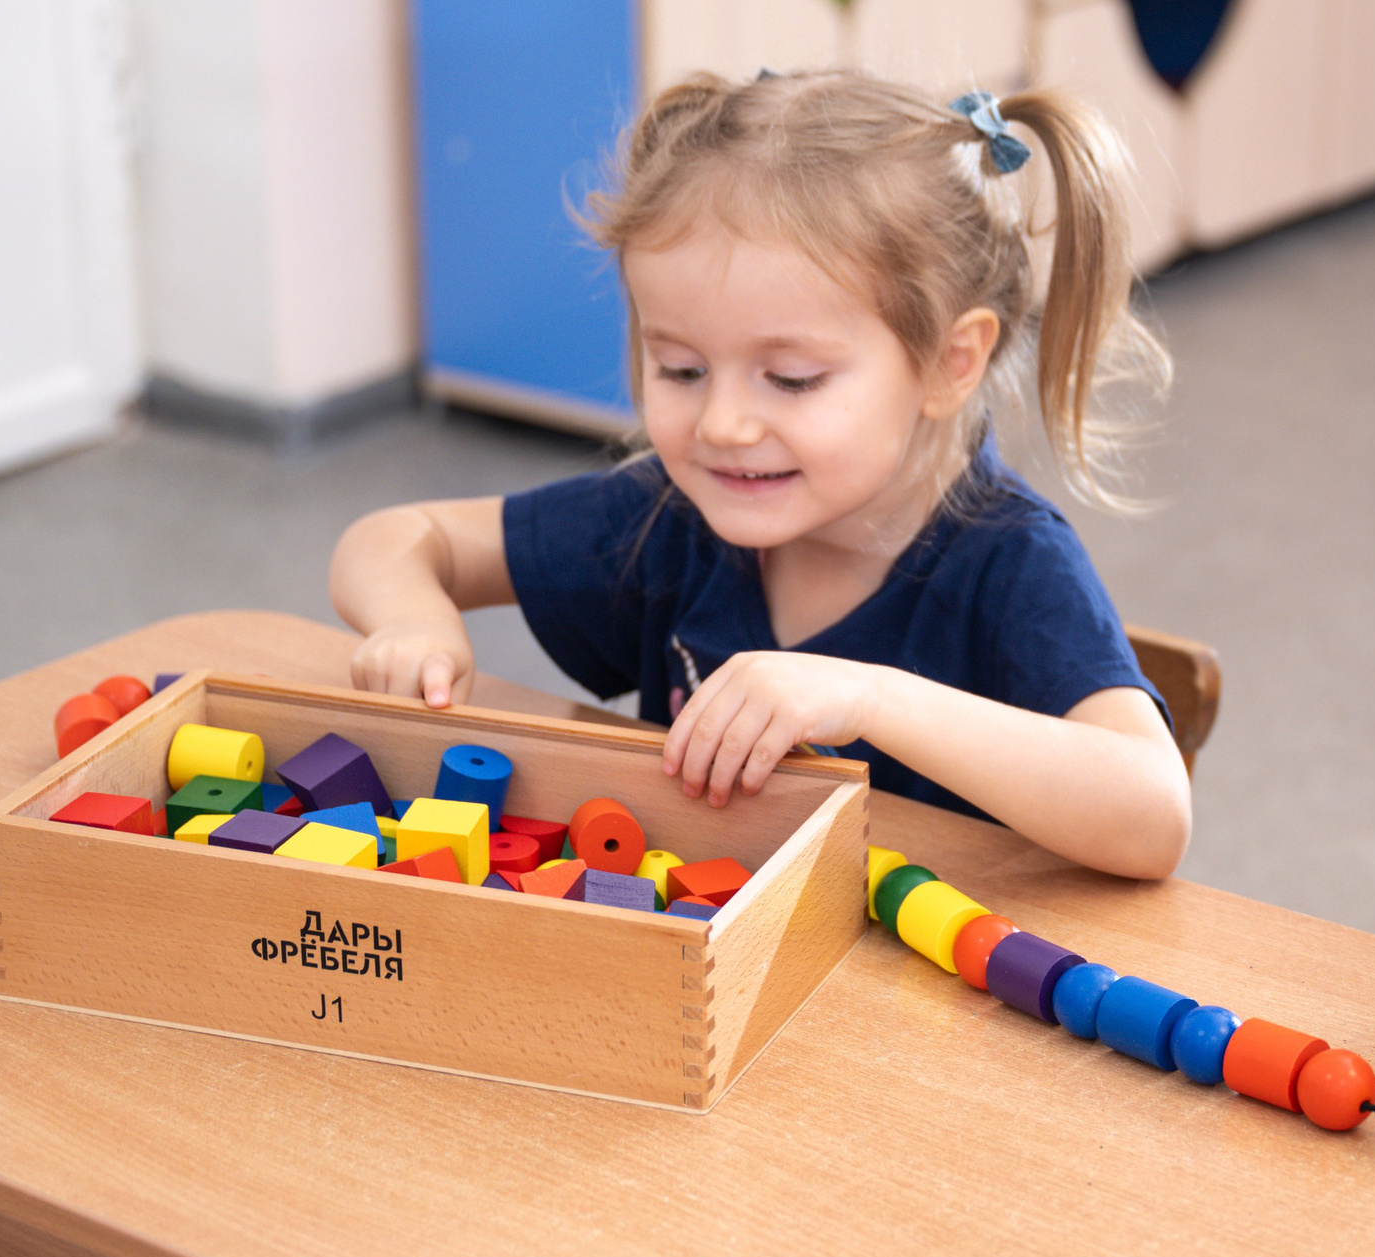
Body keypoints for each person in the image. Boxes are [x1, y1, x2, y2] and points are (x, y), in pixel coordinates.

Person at [332, 71, 1190, 880]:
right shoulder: (674, 512)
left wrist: (869, 698)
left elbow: (1152, 813)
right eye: (681, 369)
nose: (723, 425)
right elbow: (400, 538)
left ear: (948, 363)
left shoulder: (1011, 564)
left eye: (791, 379)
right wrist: (413, 622)